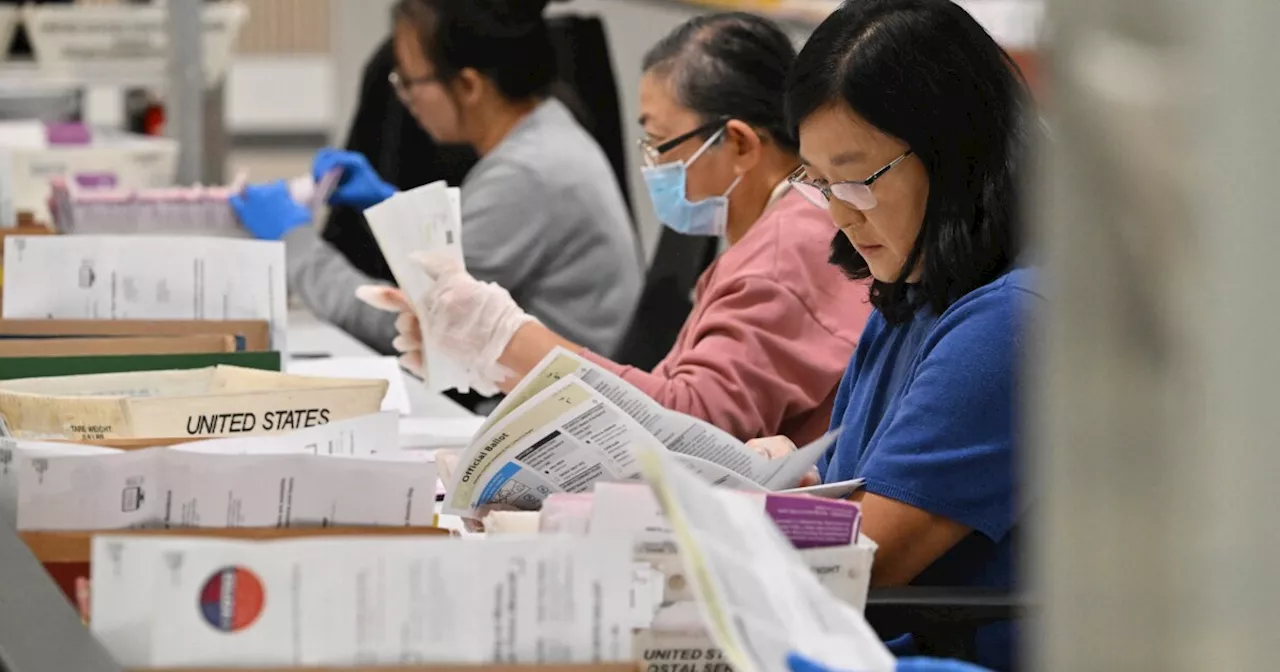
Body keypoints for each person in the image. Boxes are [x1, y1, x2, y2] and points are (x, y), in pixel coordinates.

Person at [362, 12, 874, 445]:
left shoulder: (784, 254)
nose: (652, 164)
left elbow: (689, 425)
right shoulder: (789, 227)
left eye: (660, 142)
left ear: (739, 144)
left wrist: (508, 339)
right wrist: (489, 358)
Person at [747, 0, 1042, 669]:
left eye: (857, 179)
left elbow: (868, 558)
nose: (841, 213)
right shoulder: (912, 293)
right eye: (820, 183)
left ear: (956, 151)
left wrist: (731, 517)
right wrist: (796, 481)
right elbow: (869, 482)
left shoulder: (1014, 318)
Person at [232, 0, 641, 362]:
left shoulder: (526, 176)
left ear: (468, 85)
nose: (404, 99)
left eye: (410, 82)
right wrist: (390, 206)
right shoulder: (546, 129)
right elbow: (462, 260)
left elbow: (406, 324)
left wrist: (295, 242)